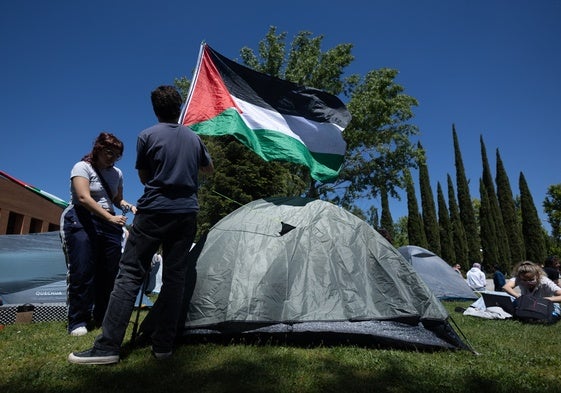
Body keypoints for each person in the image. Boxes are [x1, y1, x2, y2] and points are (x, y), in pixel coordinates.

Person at [68, 85, 213, 365]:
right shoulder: (195, 139)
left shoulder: (146, 136)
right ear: (179, 107)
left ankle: (108, 347)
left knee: (130, 273)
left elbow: (145, 177)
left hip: (154, 211)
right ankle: (163, 347)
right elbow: (208, 169)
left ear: (156, 110)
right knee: (174, 279)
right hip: (186, 213)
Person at [60, 132, 136, 336]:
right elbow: (83, 197)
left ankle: (102, 316)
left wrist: (127, 205)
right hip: (83, 218)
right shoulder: (82, 167)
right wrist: (109, 218)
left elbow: (117, 199)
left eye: (117, 155)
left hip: (109, 224)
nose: (112, 158)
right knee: (83, 269)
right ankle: (78, 320)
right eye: (109, 152)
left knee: (109, 273)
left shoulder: (117, 173)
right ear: (99, 148)